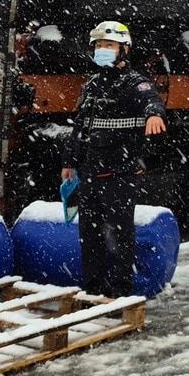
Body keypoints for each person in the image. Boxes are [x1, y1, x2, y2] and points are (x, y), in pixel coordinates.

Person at [62, 21, 165, 298]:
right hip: (90, 172)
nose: (102, 50)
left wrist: (154, 114)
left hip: (120, 173)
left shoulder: (135, 83)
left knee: (119, 235)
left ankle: (120, 291)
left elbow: (151, 101)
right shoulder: (93, 85)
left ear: (124, 49)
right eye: (98, 46)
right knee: (90, 234)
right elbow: (80, 126)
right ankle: (93, 288)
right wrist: (69, 162)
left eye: (108, 45)